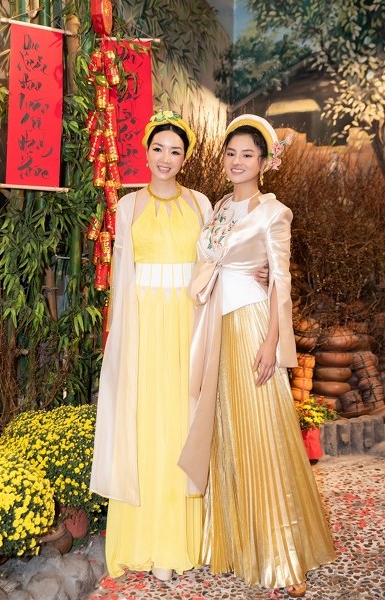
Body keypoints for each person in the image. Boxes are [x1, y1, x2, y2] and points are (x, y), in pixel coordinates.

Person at [90, 110, 268, 581]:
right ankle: (143, 540)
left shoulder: (201, 204)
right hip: (144, 327)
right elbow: (122, 279)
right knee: (145, 425)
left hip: (190, 324)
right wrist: (119, 341)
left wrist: (258, 272)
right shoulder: (128, 206)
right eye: (158, 149)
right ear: (146, 152)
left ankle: (179, 541)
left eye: (175, 151)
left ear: (185, 158)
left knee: (181, 424)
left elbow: (220, 261)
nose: (166, 158)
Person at [179, 114, 336, 597]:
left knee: (264, 431)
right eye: (231, 153)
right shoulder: (219, 207)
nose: (237, 161)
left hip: (251, 326)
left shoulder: (274, 212)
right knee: (227, 431)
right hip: (217, 326)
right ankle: (236, 543)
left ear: (264, 162)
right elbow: (209, 263)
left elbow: (281, 282)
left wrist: (272, 341)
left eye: (247, 154)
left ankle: (283, 554)